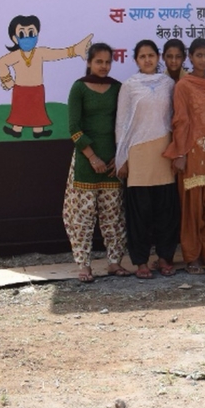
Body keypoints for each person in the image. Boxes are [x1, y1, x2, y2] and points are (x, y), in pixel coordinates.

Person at [163, 38, 205, 275]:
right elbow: (180, 121)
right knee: (191, 209)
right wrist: (179, 153)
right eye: (198, 55)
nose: (202, 60)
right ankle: (192, 257)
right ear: (190, 57)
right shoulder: (183, 85)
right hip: (191, 152)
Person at [115, 40, 178, 279]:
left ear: (158, 57)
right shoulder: (129, 86)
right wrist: (122, 157)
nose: (148, 60)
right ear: (136, 60)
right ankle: (141, 262)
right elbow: (121, 122)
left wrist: (177, 152)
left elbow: (174, 117)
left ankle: (164, 258)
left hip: (164, 150)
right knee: (140, 212)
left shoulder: (168, 83)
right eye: (142, 56)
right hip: (138, 152)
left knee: (165, 210)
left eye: (151, 55)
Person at [63, 42, 125, 283]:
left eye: (108, 62)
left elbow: (123, 125)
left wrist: (117, 156)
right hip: (85, 163)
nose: (104, 66)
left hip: (112, 164)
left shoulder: (118, 88)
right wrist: (92, 157)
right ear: (89, 62)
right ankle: (84, 266)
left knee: (114, 216)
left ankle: (114, 263)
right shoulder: (78, 88)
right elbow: (73, 128)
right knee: (83, 217)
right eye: (99, 61)